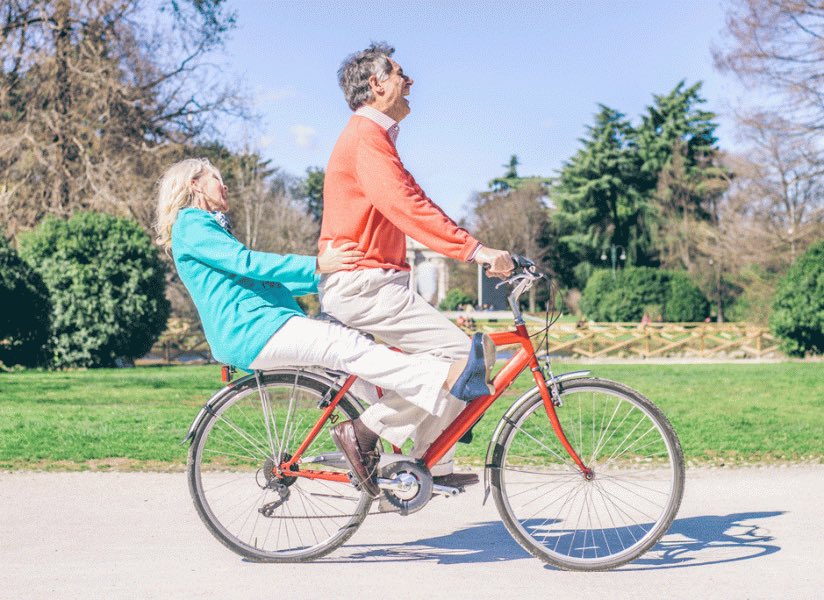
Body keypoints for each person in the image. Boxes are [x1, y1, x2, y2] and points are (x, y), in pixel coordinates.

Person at [154, 157, 493, 497]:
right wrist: (318, 263)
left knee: (365, 383)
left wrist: (328, 278)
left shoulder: (203, 228)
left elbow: (261, 279)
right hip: (255, 330)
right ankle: (441, 379)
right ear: (195, 184)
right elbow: (249, 263)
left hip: (262, 329)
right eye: (216, 178)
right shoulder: (192, 223)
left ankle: (405, 472)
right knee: (345, 344)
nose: (223, 185)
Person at [318, 43, 514, 488]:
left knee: (466, 359)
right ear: (377, 83)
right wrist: (475, 251)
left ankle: (422, 463)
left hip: (376, 285)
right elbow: (406, 207)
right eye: (401, 74)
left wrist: (473, 245)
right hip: (366, 286)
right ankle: (364, 432)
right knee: (467, 357)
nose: (410, 83)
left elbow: (415, 201)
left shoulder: (376, 138)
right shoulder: (365, 137)